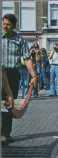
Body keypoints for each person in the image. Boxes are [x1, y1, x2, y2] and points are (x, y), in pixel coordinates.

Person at [2, 14, 36, 144]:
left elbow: (27, 59)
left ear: (14, 26)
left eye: (8, 25)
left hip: (12, 75)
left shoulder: (20, 40)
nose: (5, 27)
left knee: (8, 104)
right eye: (4, 24)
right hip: (1, 73)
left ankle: (5, 133)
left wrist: (33, 75)